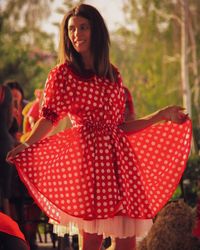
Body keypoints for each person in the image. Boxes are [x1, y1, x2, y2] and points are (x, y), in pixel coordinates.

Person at [7, 4, 192, 250]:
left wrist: (161, 115)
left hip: (121, 166)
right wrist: (27, 143)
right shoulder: (63, 74)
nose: (76, 34)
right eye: (71, 29)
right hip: (89, 165)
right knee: (91, 241)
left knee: (126, 243)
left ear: (96, 31)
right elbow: (49, 119)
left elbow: (121, 126)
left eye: (83, 27)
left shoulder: (113, 75)